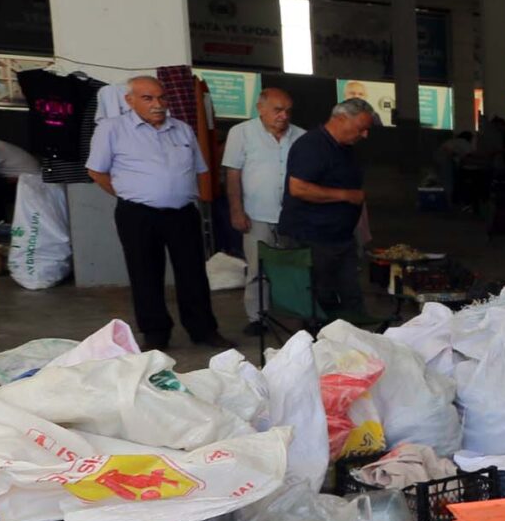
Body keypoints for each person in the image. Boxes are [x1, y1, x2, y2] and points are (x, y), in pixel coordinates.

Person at [84, 74, 229, 352]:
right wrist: (128, 195)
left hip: (182, 213)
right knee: (145, 273)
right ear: (130, 101)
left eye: (162, 97)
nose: (158, 104)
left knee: (194, 274)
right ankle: (155, 333)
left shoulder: (182, 129)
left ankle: (203, 329)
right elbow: (96, 171)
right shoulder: (112, 129)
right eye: (148, 98)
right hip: (138, 214)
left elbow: (200, 170)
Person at [278, 98, 376, 320]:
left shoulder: (346, 148)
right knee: (321, 301)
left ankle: (355, 343)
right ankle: (321, 343)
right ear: (341, 119)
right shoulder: (311, 145)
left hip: (340, 238)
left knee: (352, 298)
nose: (364, 135)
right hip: (312, 238)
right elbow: (299, 188)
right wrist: (345, 195)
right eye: (361, 129)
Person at [221, 89, 302, 331]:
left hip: (292, 216)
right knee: (258, 269)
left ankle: (293, 314)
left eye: (288, 111)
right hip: (256, 213)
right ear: (261, 108)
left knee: (292, 267)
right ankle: (258, 318)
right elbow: (233, 173)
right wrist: (237, 210)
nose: (284, 116)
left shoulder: (301, 136)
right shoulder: (241, 133)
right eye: (278, 110)